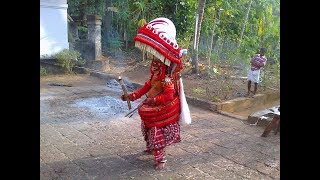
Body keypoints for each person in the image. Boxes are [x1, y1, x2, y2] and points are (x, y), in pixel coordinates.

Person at [120, 17, 191, 170]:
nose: (154, 60)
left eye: (157, 58)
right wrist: (131, 96)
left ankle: (161, 158)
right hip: (155, 105)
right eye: (154, 58)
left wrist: (150, 101)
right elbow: (146, 87)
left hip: (164, 107)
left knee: (155, 128)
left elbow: (167, 96)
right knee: (146, 121)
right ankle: (152, 146)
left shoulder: (167, 77)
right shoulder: (156, 74)